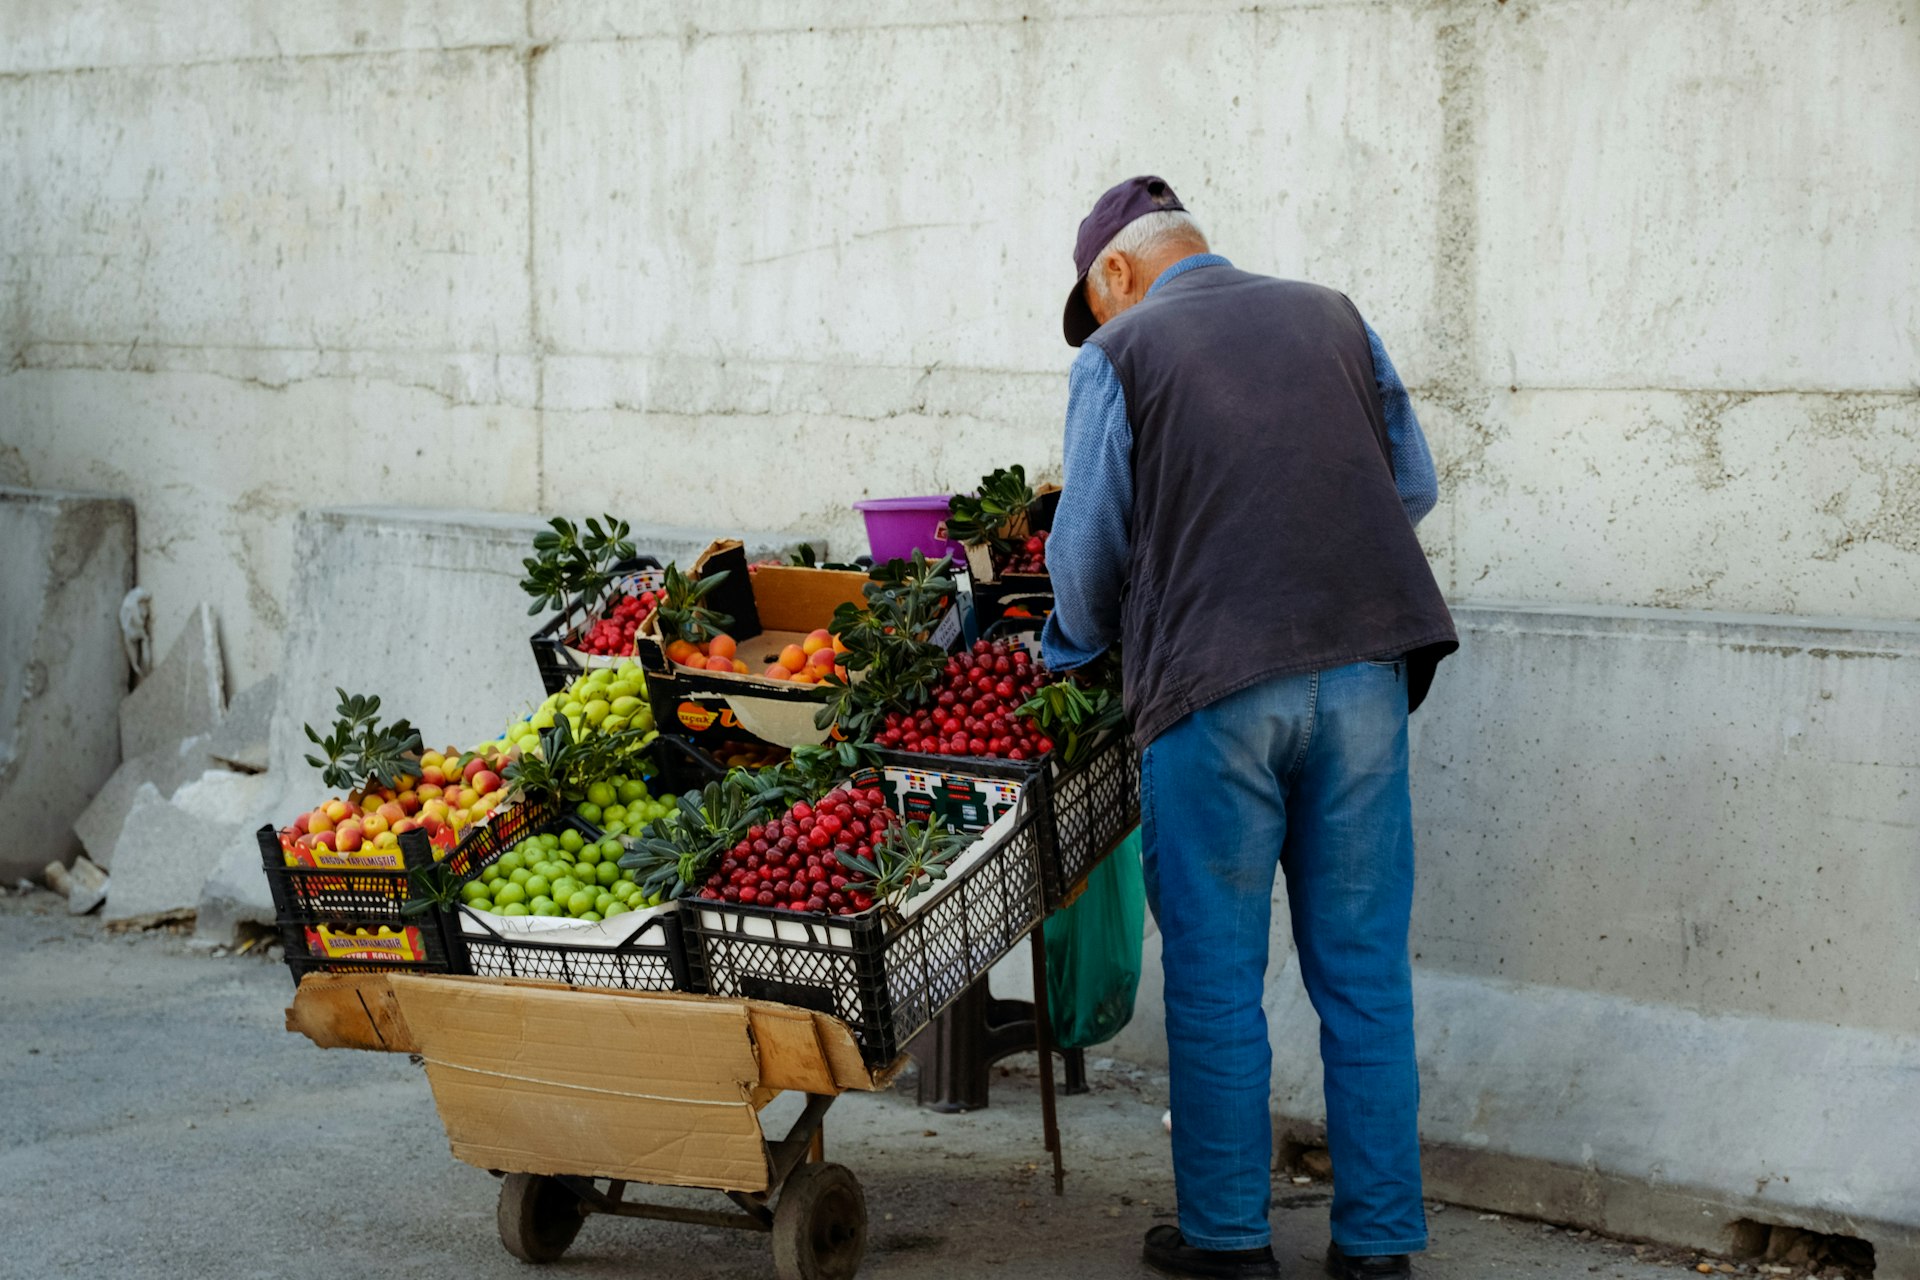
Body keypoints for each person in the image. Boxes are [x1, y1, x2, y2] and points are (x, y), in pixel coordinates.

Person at [1041, 176, 1458, 1280]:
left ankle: (1228, 1237)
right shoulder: (1333, 313)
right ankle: (1377, 1244)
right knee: (1366, 966)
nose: (1103, 325)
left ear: (1115, 274)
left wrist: (1076, 645)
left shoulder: (1117, 357)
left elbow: (1086, 561)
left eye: (1099, 303)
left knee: (1218, 973)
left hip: (1214, 686)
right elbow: (1407, 484)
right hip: (1367, 669)